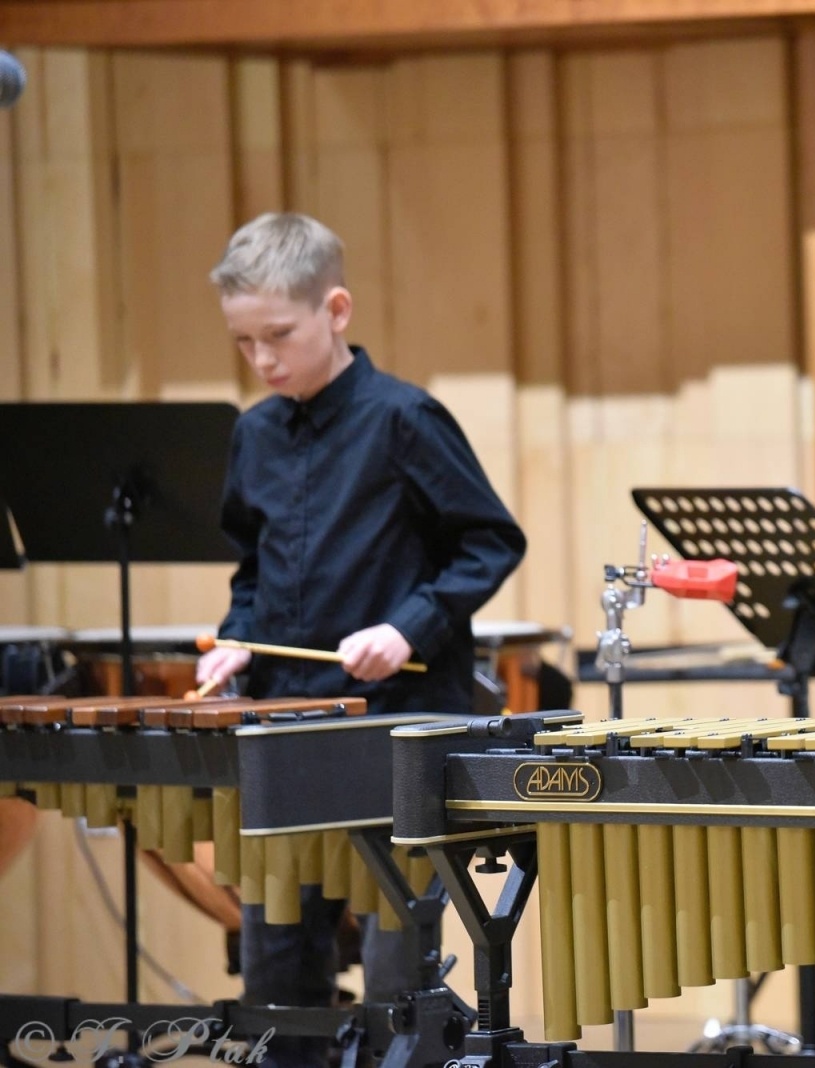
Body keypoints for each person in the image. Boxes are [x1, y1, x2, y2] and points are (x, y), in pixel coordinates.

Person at [196, 212, 527, 1065]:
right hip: (288, 728)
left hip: (395, 726)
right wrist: (240, 640)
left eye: (279, 335)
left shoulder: (404, 418)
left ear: (336, 310)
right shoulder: (254, 435)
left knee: (394, 978)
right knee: (276, 971)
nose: (263, 360)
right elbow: (253, 573)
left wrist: (405, 626)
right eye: (244, 343)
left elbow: (490, 541)